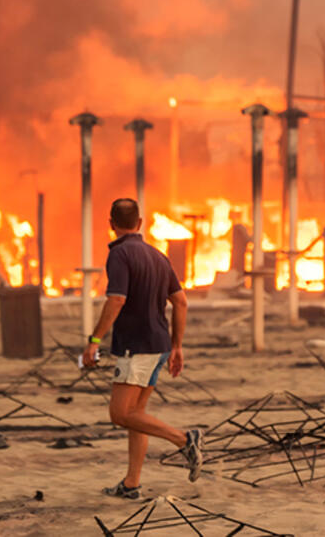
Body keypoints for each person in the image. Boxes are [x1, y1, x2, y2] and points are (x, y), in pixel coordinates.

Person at [83, 198, 204, 500]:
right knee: (136, 414)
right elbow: (181, 302)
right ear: (139, 223)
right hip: (159, 345)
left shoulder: (119, 254)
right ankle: (131, 484)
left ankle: (184, 439)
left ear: (111, 224)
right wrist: (177, 346)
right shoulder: (158, 256)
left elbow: (116, 299)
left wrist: (94, 341)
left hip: (136, 347)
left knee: (119, 413)